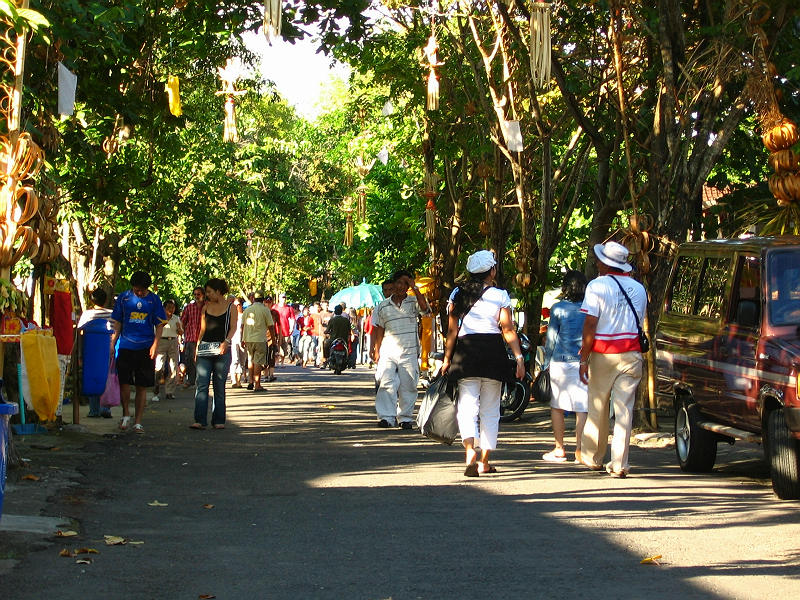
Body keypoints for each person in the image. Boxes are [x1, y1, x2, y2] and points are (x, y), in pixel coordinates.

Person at [441, 251, 524, 476]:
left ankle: (470, 450)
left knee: (467, 406)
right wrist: (519, 358)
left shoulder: (458, 293)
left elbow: (452, 330)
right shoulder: (500, 295)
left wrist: (447, 359)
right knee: (490, 409)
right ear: (492, 271)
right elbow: (507, 329)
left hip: (466, 353)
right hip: (492, 353)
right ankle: (484, 461)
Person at [578, 241, 647, 478]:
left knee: (598, 405)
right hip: (631, 354)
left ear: (605, 263)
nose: (597, 263)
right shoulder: (639, 289)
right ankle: (620, 463)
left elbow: (590, 324)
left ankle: (593, 457)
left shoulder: (597, 286)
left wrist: (584, 358)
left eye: (599, 260)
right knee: (624, 410)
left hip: (603, 354)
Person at [370, 270, 430, 429]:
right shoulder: (383, 306)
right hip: (388, 351)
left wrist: (414, 288)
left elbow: (425, 310)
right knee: (386, 383)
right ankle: (386, 417)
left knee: (408, 385)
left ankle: (405, 417)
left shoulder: (414, 302)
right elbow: (380, 329)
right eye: (398, 283)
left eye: (405, 283)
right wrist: (377, 350)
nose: (400, 286)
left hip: (409, 351)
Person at [110, 271, 167, 434]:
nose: (139, 293)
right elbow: (118, 322)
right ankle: (126, 414)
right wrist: (113, 343)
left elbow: (160, 325)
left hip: (146, 347)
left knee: (142, 385)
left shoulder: (154, 300)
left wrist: (155, 345)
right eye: (136, 290)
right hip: (126, 346)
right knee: (124, 382)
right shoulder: (123, 298)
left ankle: (138, 422)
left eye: (141, 290)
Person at [541, 271, 589, 464]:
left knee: (558, 406)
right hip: (584, 362)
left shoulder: (558, 308)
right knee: (582, 408)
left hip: (560, 361)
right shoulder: (589, 308)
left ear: (565, 287)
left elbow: (551, 338)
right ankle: (581, 450)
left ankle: (559, 449)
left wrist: (546, 363)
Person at [191, 278, 238, 430]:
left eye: (210, 292)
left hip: (222, 350)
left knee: (219, 385)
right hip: (205, 349)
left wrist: (226, 341)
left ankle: (219, 419)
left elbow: (233, 328)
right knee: (202, 384)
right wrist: (197, 346)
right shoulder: (206, 307)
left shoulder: (231, 308)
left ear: (218, 291)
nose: (208, 295)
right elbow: (203, 329)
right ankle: (200, 419)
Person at [78, 288, 113, 418]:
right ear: (106, 300)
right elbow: (116, 332)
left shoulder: (87, 315)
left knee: (92, 377)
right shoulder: (112, 314)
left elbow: (80, 332)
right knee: (107, 378)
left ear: (92, 300)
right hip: (108, 351)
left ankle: (94, 410)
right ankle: (106, 408)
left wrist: (80, 354)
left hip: (90, 350)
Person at [240, 291, 275, 392]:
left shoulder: (247, 310)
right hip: (260, 339)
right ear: (263, 300)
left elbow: (242, 326)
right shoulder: (265, 310)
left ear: (254, 299)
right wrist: (273, 340)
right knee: (258, 361)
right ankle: (257, 384)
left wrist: (242, 339)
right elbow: (271, 326)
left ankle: (251, 381)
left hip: (248, 339)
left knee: (251, 359)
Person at [153, 299, 183, 402]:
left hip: (173, 341)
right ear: (164, 308)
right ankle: (155, 390)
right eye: (169, 307)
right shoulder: (159, 318)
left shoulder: (176, 318)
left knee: (173, 366)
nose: (171, 309)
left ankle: (169, 391)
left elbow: (180, 332)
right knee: (159, 366)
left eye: (173, 307)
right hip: (162, 341)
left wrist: (179, 329)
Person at [181, 286, 205, 387]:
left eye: (198, 294)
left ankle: (201, 380)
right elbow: (182, 322)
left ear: (203, 295)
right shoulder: (189, 307)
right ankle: (191, 380)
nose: (196, 296)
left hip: (204, 338)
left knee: (202, 360)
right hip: (190, 338)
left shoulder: (207, 307)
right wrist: (181, 335)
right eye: (195, 294)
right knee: (189, 359)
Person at [229, 297, 247, 388]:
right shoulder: (231, 316)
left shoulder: (244, 316)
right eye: (234, 305)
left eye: (238, 305)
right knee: (235, 360)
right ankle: (234, 380)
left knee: (242, 361)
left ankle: (239, 381)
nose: (236, 307)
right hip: (234, 340)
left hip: (243, 340)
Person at [274, 293, 294, 365]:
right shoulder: (274, 307)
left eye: (284, 298)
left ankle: (282, 362)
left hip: (285, 331)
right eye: (282, 298)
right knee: (276, 346)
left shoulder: (289, 308)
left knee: (284, 347)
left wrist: (291, 328)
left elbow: (292, 319)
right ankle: (276, 361)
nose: (283, 299)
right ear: (279, 298)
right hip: (276, 330)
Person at [264, 296, 280, 382]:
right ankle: (265, 375)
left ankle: (271, 374)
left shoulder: (275, 313)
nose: (268, 304)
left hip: (272, 337)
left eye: (269, 302)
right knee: (264, 357)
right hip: (262, 337)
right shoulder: (262, 312)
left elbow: (279, 326)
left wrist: (279, 339)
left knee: (272, 356)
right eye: (266, 302)